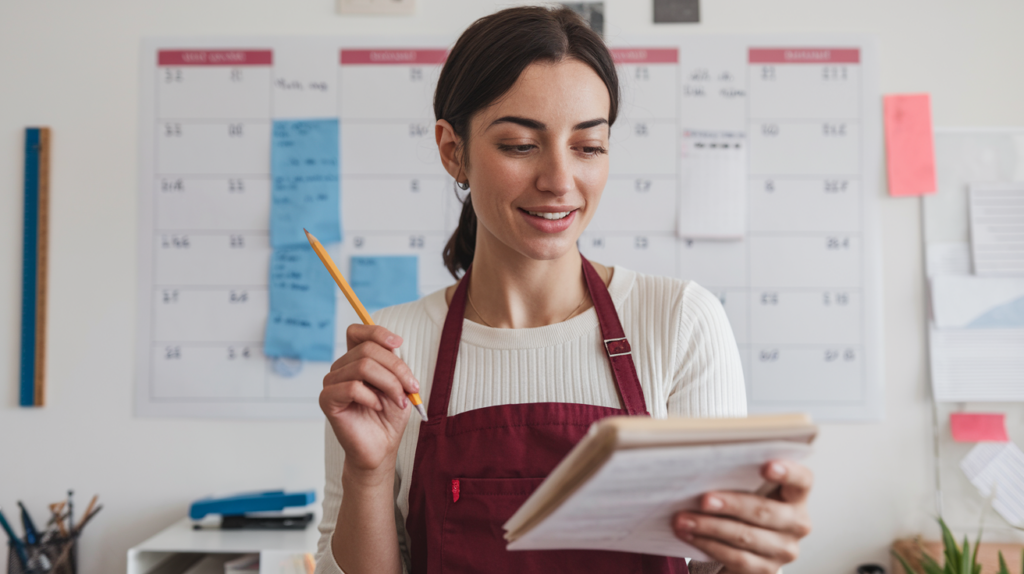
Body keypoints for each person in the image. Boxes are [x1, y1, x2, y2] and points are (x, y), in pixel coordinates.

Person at [314, 6, 812, 574]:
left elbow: (717, 560)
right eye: (520, 145)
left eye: (588, 146)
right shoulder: (390, 353)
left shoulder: (680, 322)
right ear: (453, 150)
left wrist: (750, 560)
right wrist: (368, 474)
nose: (558, 181)